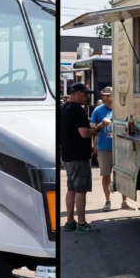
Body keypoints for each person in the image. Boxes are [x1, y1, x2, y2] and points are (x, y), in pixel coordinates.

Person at [61, 82, 107, 233]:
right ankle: (81, 223)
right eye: (85, 94)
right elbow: (84, 133)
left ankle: (69, 221)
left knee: (71, 188)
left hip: (67, 154)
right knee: (80, 190)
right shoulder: (77, 110)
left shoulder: (63, 108)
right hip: (79, 155)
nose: (87, 97)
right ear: (78, 93)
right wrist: (99, 127)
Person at [91, 87, 131, 211]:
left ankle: (125, 201)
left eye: (108, 95)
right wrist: (94, 145)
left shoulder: (122, 109)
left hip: (121, 148)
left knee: (123, 175)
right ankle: (108, 201)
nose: (106, 98)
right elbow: (92, 130)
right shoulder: (98, 111)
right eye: (104, 95)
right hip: (104, 147)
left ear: (114, 96)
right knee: (106, 175)